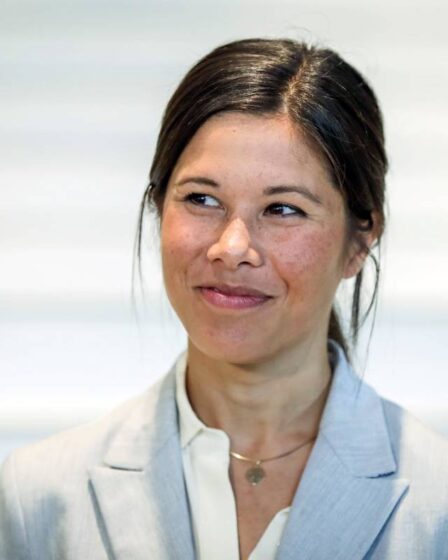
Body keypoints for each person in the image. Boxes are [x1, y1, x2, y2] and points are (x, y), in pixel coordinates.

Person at [1, 37, 447, 560]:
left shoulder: (436, 502)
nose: (231, 248)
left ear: (359, 243)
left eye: (283, 209)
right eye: (202, 199)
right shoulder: (36, 498)